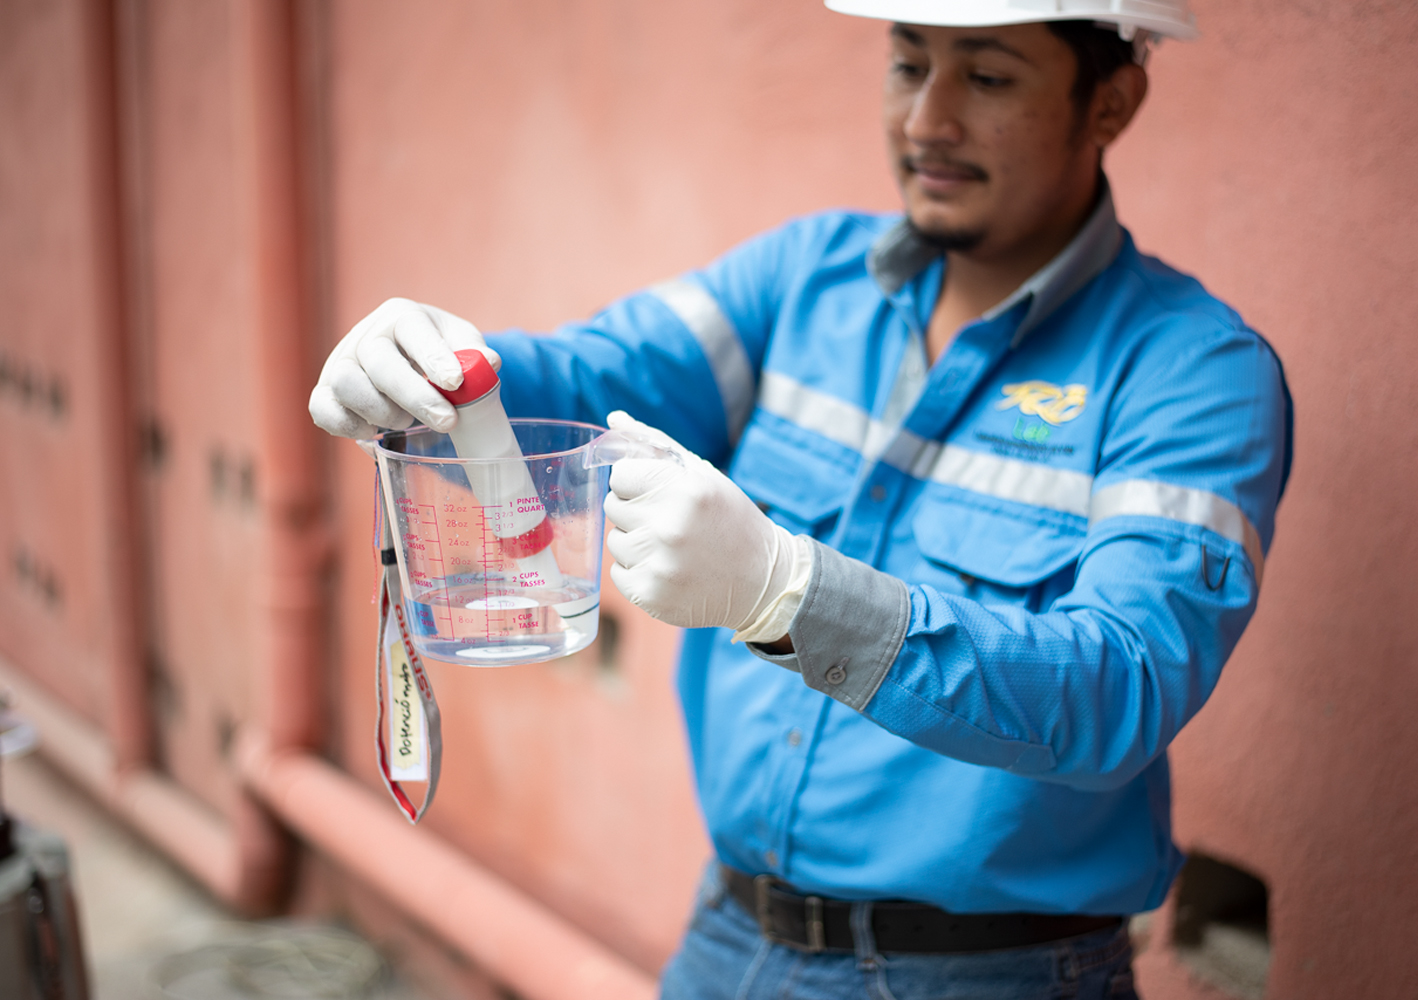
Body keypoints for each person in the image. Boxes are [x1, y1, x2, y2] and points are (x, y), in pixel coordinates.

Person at [309, 1, 1293, 996]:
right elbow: (587, 380)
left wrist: (786, 593)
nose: (927, 120)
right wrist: (441, 374)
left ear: (1111, 102)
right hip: (726, 943)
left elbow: (1119, 688)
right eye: (907, 65)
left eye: (988, 77)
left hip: (991, 976)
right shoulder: (801, 278)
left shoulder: (1193, 373)